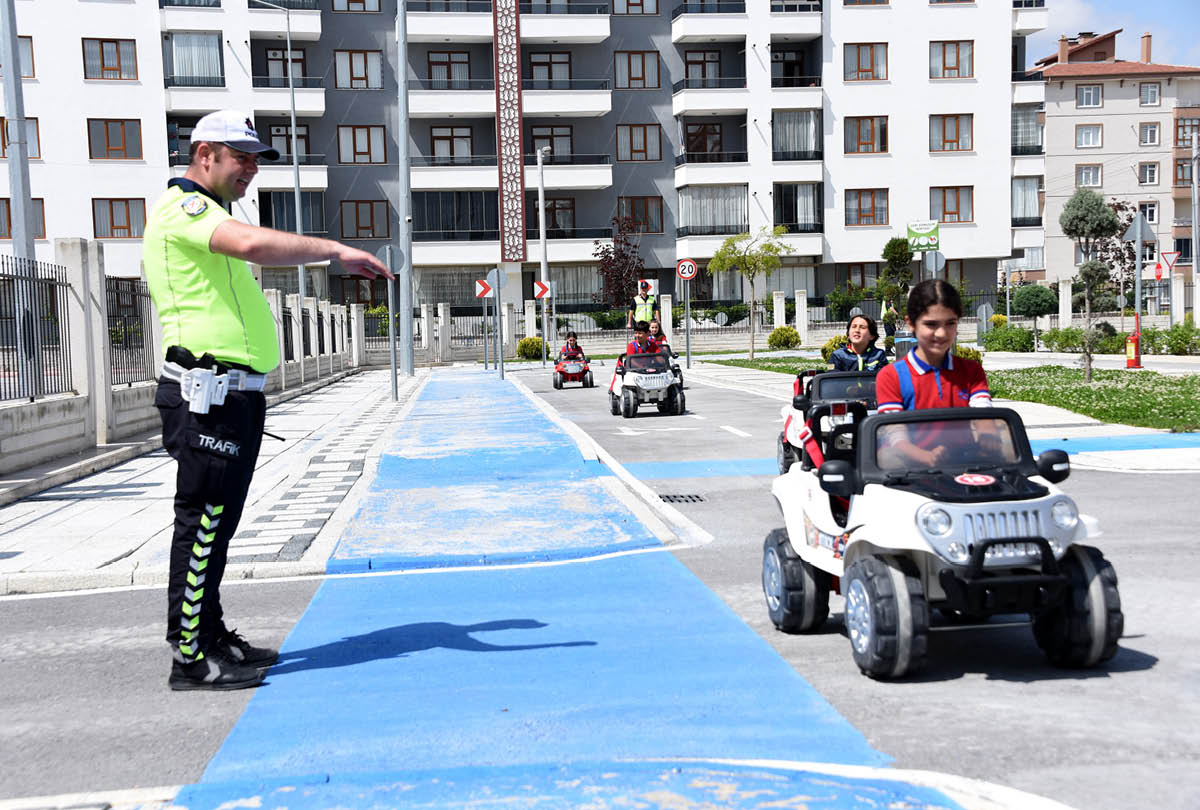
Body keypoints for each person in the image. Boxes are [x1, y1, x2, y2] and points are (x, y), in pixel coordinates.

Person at [142, 110, 392, 691]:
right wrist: (332, 249)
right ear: (205, 155)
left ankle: (210, 634)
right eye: (241, 157)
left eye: (256, 158)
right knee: (202, 523)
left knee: (219, 526)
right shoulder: (186, 209)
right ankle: (189, 656)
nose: (252, 169)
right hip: (206, 394)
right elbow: (254, 245)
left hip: (234, 396)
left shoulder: (213, 216)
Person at [874, 279, 993, 468]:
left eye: (950, 323)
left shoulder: (971, 371)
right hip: (907, 470)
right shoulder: (891, 376)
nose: (941, 333)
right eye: (931, 324)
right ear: (911, 324)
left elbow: (984, 414)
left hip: (964, 464)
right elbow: (896, 435)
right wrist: (927, 458)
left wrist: (989, 437)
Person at [609, 320, 658, 393]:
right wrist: (644, 368)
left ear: (648, 333)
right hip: (634, 371)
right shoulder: (631, 346)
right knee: (623, 385)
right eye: (636, 333)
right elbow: (632, 361)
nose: (637, 335)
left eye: (640, 333)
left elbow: (659, 357)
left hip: (649, 372)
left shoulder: (653, 345)